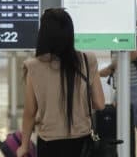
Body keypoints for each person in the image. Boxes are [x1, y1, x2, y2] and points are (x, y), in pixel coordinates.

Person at [18, 8, 105, 157]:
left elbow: (29, 113)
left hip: (49, 144)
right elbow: (99, 103)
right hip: (82, 142)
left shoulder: (33, 66)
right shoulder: (87, 60)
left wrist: (24, 146)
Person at [99, 48, 137, 156]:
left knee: (120, 130)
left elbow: (134, 53)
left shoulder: (124, 31)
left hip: (130, 88)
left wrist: (111, 68)